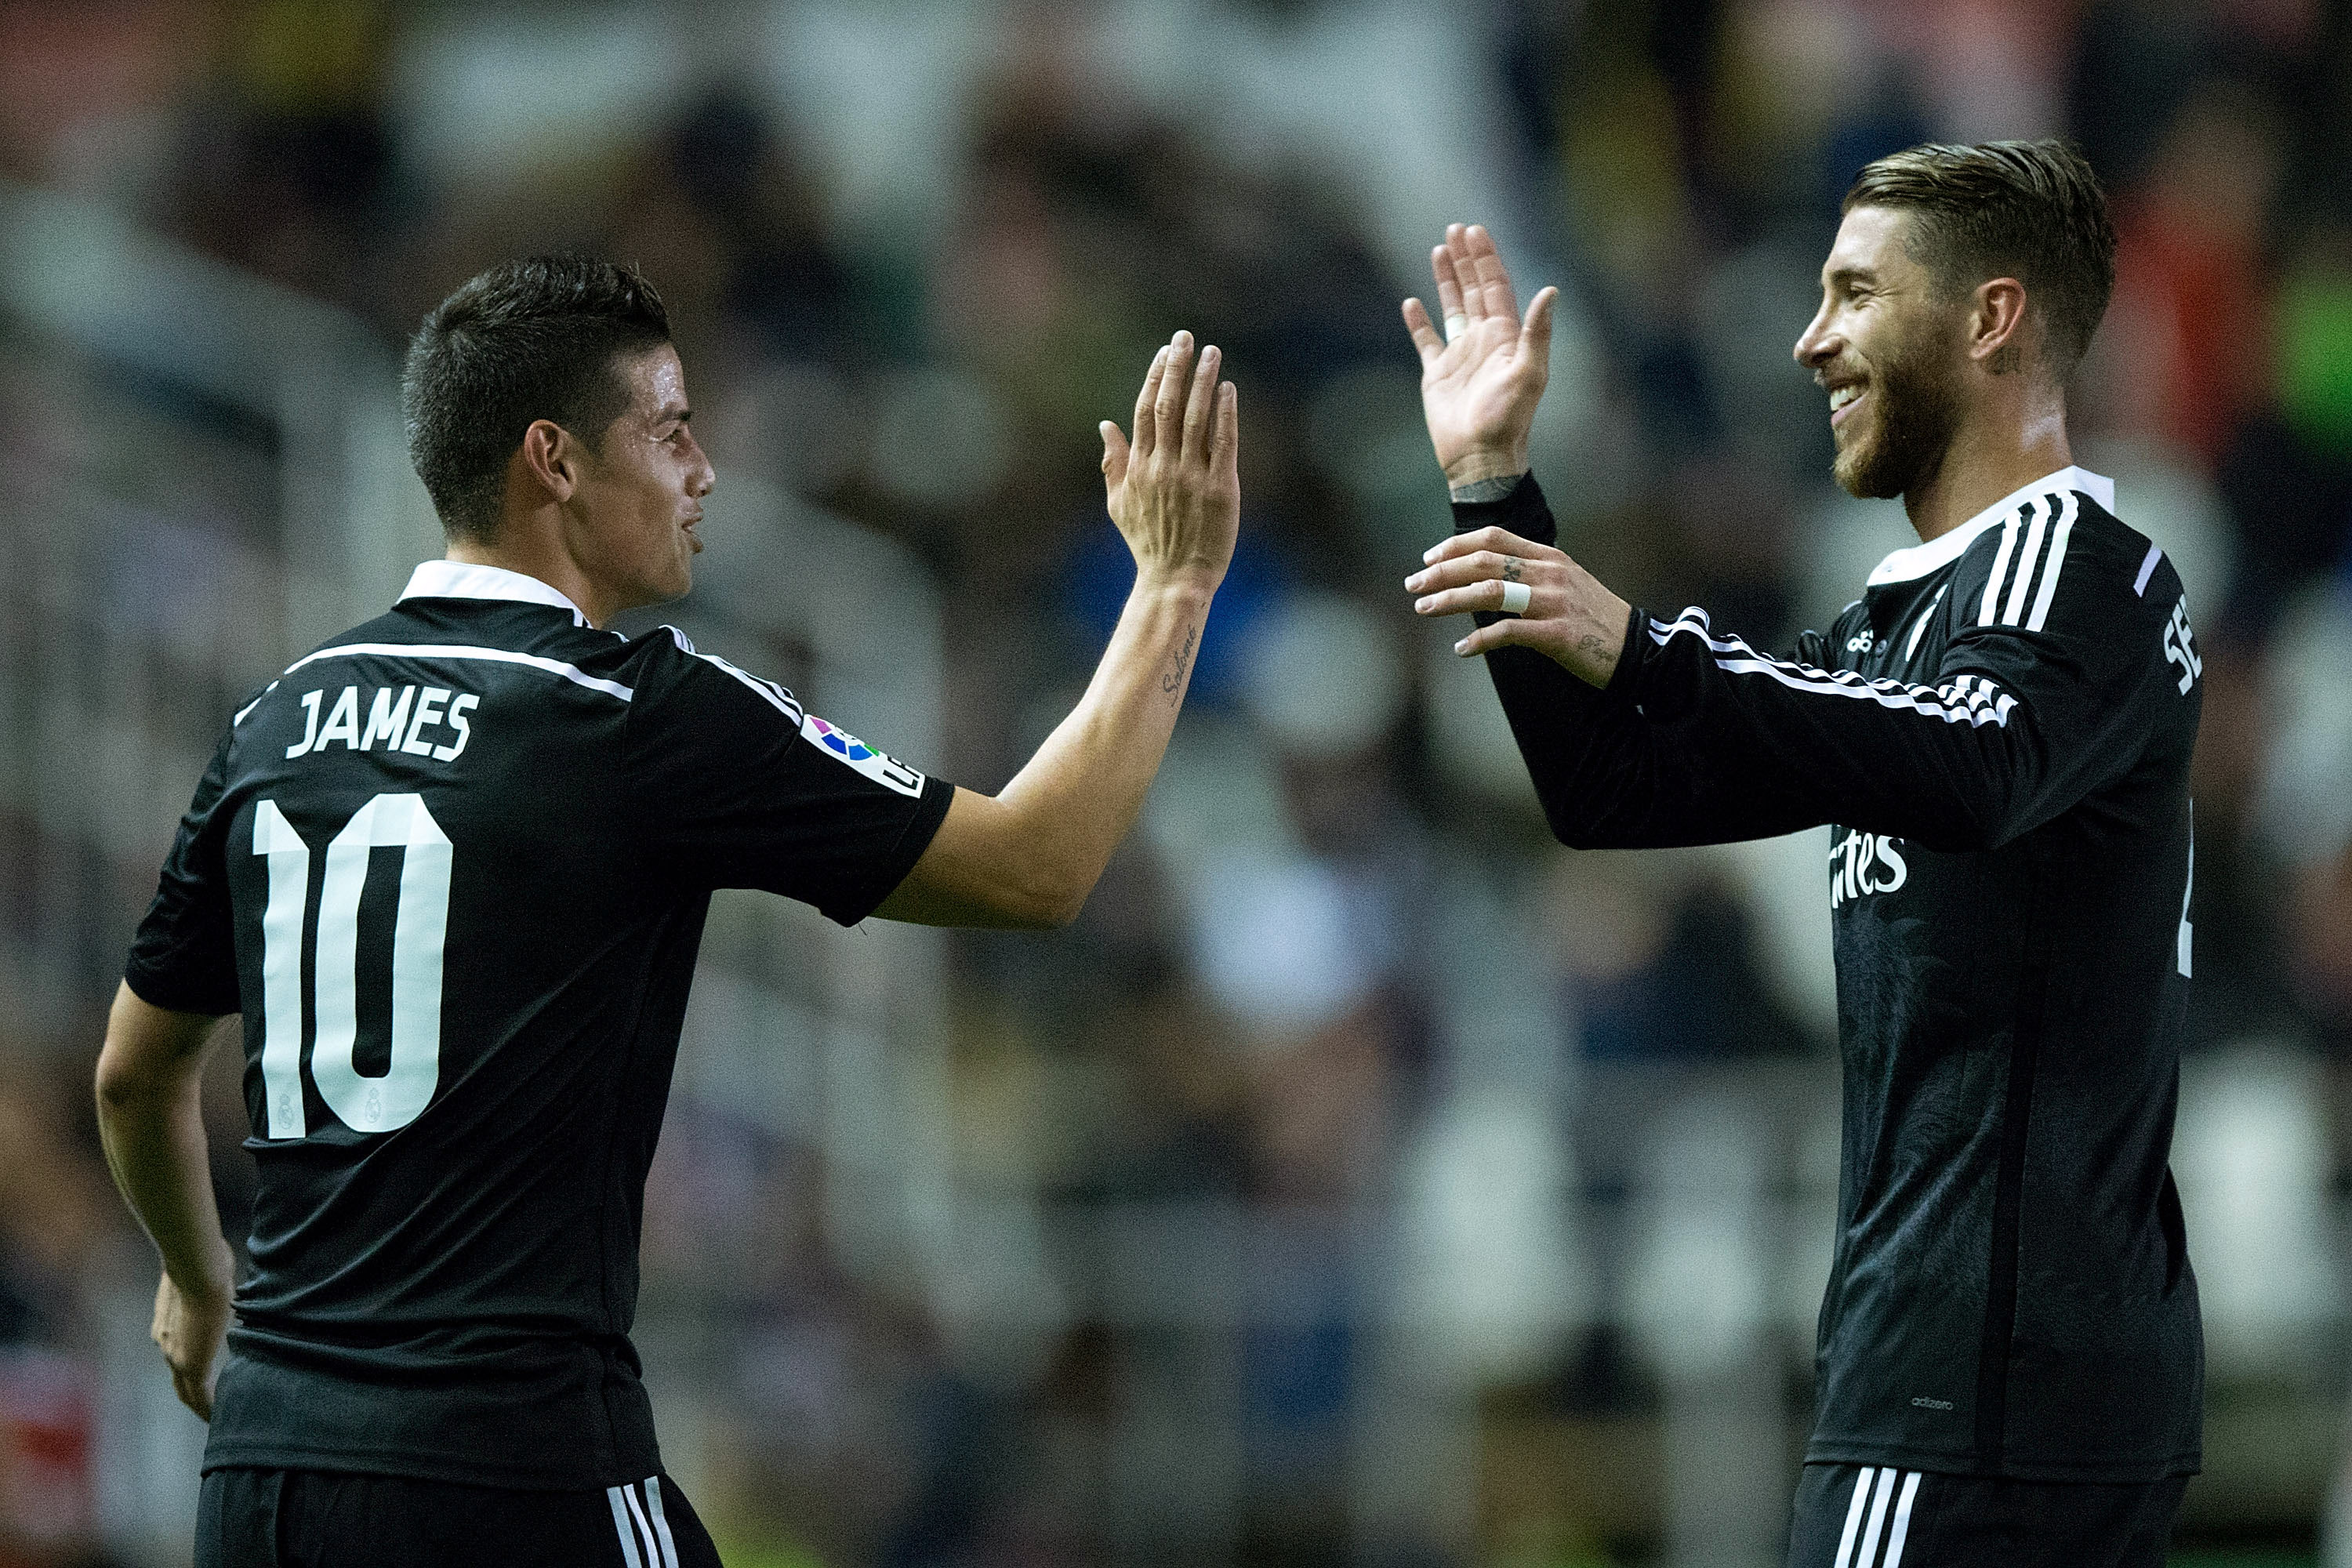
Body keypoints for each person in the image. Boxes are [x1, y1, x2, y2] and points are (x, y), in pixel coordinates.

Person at [94, 256, 1239, 1566]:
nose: (705, 472)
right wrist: (1174, 585)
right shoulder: (632, 709)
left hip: (258, 1477)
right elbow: (1039, 867)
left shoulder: (274, 721)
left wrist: (195, 1283)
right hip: (509, 1470)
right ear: (556, 461)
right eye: (672, 428)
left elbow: (135, 1077)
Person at [1402, 143, 2201, 1566]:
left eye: (1852, 294)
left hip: (1973, 1396)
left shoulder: (2072, 572)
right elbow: (1614, 792)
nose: (1808, 338)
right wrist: (1496, 491)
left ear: (1990, 318)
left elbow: (1976, 762)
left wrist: (1650, 646)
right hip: (1996, 1387)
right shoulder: (1902, 638)